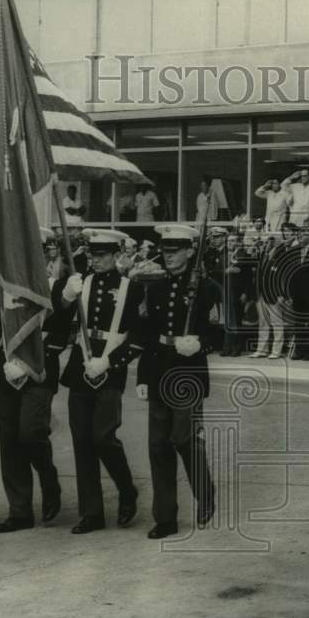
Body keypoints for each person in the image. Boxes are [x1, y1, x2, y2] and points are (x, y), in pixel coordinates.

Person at [0, 227, 69, 533]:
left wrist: (66, 299)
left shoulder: (55, 287)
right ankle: (19, 510)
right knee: (9, 440)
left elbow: (61, 332)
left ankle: (48, 479)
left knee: (30, 433)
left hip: (38, 372)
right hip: (6, 370)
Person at [57, 229, 142, 535]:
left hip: (109, 367)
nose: (97, 260)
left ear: (117, 256)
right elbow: (58, 318)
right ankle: (91, 513)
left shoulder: (131, 289)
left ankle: (126, 488)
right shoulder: (81, 283)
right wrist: (66, 296)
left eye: (104, 255)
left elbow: (138, 335)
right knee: (82, 441)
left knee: (103, 436)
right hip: (81, 365)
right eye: (93, 255)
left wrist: (111, 361)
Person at [137, 224, 217, 537]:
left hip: (189, 372)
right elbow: (146, 335)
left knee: (184, 439)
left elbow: (220, 327)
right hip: (159, 370)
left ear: (189, 252)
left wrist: (201, 342)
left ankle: (205, 492)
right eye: (165, 251)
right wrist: (143, 376)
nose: (168, 257)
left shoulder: (207, 288)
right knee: (158, 446)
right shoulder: (154, 287)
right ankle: (165, 518)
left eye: (174, 251)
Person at [284, 222, 309, 360]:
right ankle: (299, 349)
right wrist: (289, 293)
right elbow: (289, 274)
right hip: (296, 293)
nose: (301, 236)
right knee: (298, 322)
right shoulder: (294, 251)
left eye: (305, 233)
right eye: (300, 234)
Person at [252, 226, 291, 359]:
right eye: (267, 240)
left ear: (278, 241)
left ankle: (276, 350)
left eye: (272, 240)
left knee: (277, 323)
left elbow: (284, 276)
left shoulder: (282, 255)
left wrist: (282, 294)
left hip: (273, 294)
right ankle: (262, 349)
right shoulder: (263, 254)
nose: (268, 242)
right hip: (261, 293)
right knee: (263, 322)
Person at [220, 231, 252, 356]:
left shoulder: (244, 256)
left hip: (238, 292)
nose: (230, 243)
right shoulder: (224, 255)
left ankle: (236, 348)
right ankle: (226, 347)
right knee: (227, 321)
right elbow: (217, 271)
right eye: (228, 241)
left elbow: (249, 278)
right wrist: (226, 271)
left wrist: (245, 293)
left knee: (237, 321)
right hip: (226, 292)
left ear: (239, 242)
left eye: (233, 241)